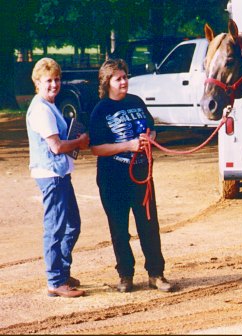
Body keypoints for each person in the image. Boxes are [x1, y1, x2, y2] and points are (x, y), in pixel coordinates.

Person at [89, 58, 172, 293]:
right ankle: (125, 275)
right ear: (107, 83)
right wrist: (129, 146)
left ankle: (156, 273)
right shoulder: (101, 110)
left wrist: (150, 138)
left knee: (148, 225)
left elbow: (150, 128)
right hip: (114, 178)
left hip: (142, 175)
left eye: (125, 77)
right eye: (118, 78)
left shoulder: (136, 102)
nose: (124, 81)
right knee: (119, 229)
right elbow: (96, 148)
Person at [26, 57, 89, 298]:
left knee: (72, 224)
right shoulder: (41, 109)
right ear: (38, 82)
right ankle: (55, 281)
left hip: (60, 174)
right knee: (56, 227)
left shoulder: (49, 104)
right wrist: (80, 142)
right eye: (48, 80)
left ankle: (61, 272)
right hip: (51, 175)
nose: (54, 85)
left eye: (57, 79)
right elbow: (55, 146)